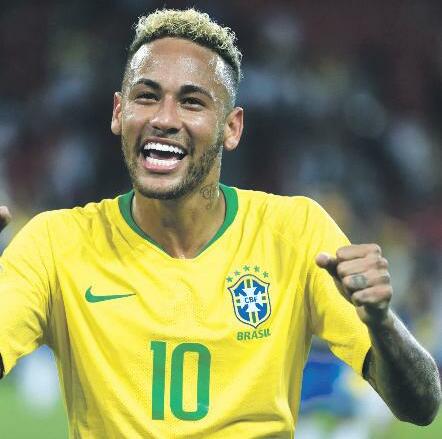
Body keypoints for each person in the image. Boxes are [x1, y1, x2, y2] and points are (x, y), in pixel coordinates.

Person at [0, 8, 440, 438]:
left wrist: (382, 323)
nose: (164, 119)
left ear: (232, 127)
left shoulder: (296, 233)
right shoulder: (54, 244)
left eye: (191, 102)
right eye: (146, 96)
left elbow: (421, 406)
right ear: (119, 112)